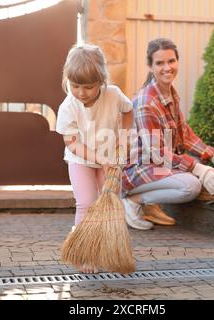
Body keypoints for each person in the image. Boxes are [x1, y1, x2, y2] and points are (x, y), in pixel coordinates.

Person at [121, 38, 214, 230]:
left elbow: (184, 133)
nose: (167, 67)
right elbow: (157, 154)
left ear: (177, 61)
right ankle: (133, 201)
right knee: (190, 186)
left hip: (158, 165)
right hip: (139, 169)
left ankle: (150, 205)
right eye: (160, 63)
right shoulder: (147, 101)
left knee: (197, 169)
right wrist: (197, 168)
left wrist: (212, 154)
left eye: (171, 61)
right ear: (150, 66)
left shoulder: (170, 94)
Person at [55, 44, 134, 273]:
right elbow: (72, 142)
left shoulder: (113, 94)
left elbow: (128, 110)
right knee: (87, 203)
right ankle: (84, 253)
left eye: (88, 87)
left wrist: (124, 137)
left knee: (109, 202)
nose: (81, 92)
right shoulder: (68, 106)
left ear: (102, 81)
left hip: (109, 157)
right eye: (75, 85)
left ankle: (107, 249)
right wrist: (100, 158)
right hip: (81, 160)